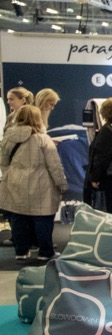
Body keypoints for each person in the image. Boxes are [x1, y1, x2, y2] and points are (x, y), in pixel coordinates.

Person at [0, 105, 67, 262]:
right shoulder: (43, 139)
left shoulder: (8, 137)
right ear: (37, 118)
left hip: (15, 182)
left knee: (18, 217)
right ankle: (45, 252)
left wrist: (10, 174)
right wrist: (62, 184)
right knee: (43, 218)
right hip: (41, 184)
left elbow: (3, 161)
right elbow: (54, 165)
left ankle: (21, 251)